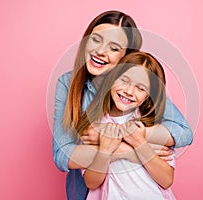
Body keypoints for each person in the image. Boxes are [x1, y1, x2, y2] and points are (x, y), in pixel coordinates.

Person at [53, 10, 192, 200]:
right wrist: (132, 150)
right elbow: (62, 154)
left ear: (127, 58)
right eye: (96, 39)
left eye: (114, 48)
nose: (100, 51)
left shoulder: (141, 91)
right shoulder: (68, 84)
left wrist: (132, 135)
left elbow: (183, 132)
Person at [77, 51, 176, 199]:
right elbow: (91, 183)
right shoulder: (93, 127)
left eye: (141, 88)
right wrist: (104, 151)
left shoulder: (154, 127)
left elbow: (167, 180)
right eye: (124, 80)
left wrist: (140, 143)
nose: (129, 91)